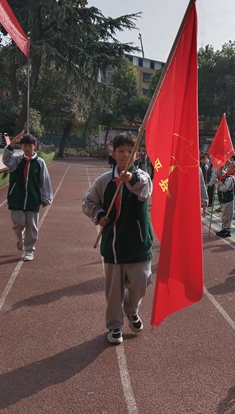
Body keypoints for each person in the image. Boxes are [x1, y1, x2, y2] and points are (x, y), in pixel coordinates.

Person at [82, 133, 154, 344]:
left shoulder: (143, 176)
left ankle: (131, 310)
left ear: (137, 154)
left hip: (138, 243)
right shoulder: (104, 181)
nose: (125, 155)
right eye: (120, 151)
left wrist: (130, 179)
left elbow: (144, 191)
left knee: (141, 281)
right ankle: (114, 326)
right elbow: (87, 202)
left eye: (129, 152)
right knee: (113, 291)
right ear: (113, 154)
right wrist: (99, 215)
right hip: (113, 245)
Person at [2, 132, 53, 262]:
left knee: (32, 225)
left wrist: (46, 197)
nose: (27, 148)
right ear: (21, 147)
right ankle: (20, 237)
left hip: (33, 199)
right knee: (18, 222)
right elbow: (6, 159)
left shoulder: (39, 163)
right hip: (17, 197)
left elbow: (45, 180)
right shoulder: (16, 161)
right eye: (25, 146)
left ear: (35, 146)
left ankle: (29, 250)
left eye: (30, 146)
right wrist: (12, 142)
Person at [215, 161, 235, 237]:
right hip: (223, 198)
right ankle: (224, 228)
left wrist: (218, 183)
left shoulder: (230, 178)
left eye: (232, 168)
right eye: (229, 167)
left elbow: (224, 188)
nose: (230, 169)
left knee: (227, 215)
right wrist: (222, 162)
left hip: (227, 199)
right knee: (224, 215)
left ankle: (227, 230)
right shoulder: (225, 175)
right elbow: (220, 171)